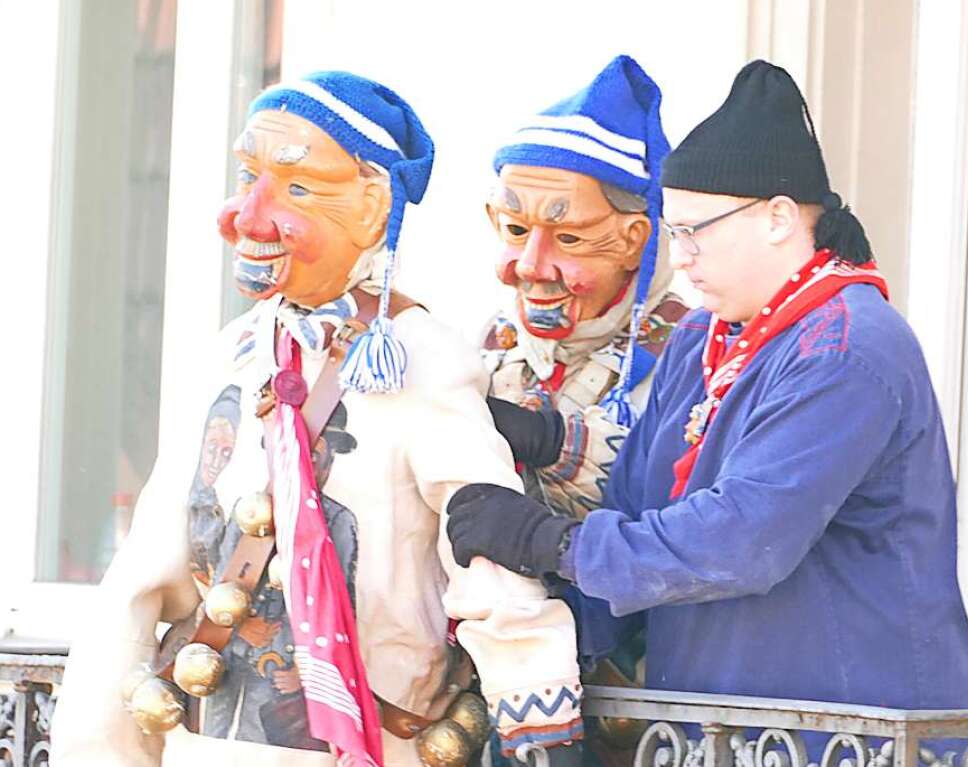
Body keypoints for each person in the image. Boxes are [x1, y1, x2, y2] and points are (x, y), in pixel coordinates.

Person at [446, 60, 968, 754]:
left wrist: (553, 542)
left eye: (697, 231)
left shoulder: (847, 348)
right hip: (719, 734)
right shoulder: (703, 337)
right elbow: (638, 501)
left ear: (778, 217)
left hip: (849, 736)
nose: (684, 256)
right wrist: (524, 618)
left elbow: (739, 540)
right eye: (674, 233)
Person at [52, 70, 582, 767]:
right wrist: (100, 745)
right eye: (248, 177)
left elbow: (491, 565)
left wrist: (538, 730)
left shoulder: (420, 357)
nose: (246, 215)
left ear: (370, 209)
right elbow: (146, 570)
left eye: (296, 189)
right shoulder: (235, 352)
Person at [478, 55, 685, 762]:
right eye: (513, 230)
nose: (529, 265)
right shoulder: (485, 348)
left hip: (633, 714)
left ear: (637, 241)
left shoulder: (693, 349)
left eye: (567, 238)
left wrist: (549, 441)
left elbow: (684, 507)